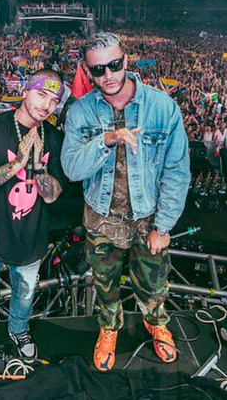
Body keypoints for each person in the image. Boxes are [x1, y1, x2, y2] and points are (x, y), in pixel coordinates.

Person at [61, 32, 190, 372]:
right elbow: (72, 169)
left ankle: (156, 324)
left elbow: (177, 172)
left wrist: (163, 227)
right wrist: (106, 139)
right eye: (99, 70)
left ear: (126, 61)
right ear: (88, 73)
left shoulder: (162, 108)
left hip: (148, 218)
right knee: (104, 285)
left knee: (153, 283)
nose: (108, 76)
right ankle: (109, 329)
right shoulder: (80, 112)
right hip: (102, 219)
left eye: (114, 65)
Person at [0, 69, 67, 360]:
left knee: (24, 294)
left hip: (30, 239)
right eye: (41, 94)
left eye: (54, 100)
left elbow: (53, 194)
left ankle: (19, 330)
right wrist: (16, 163)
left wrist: (38, 169)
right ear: (25, 91)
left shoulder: (55, 138)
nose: (46, 105)